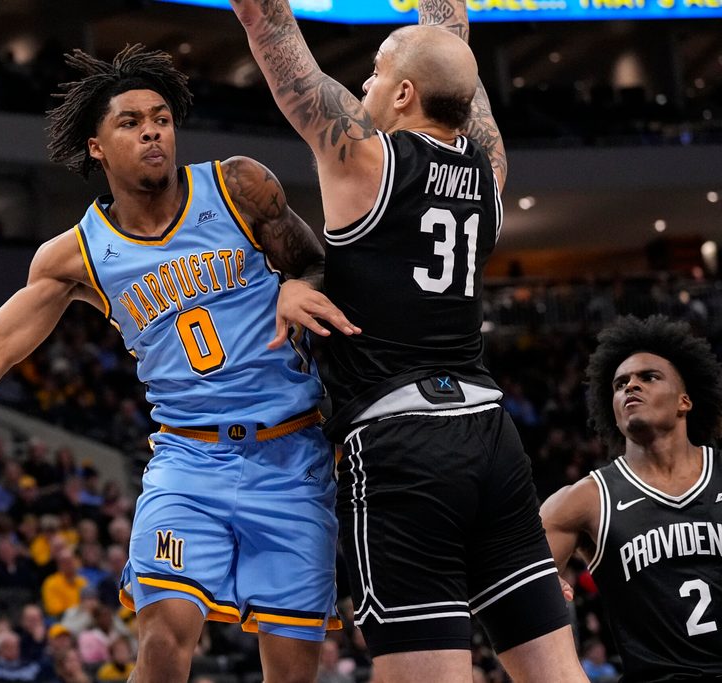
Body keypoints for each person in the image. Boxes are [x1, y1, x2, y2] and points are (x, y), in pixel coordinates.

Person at [0, 43, 356, 682]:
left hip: (294, 457)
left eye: (161, 118)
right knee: (163, 637)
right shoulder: (74, 256)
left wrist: (298, 282)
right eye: (131, 122)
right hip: (189, 463)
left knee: (293, 669)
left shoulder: (239, 187)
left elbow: (321, 264)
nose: (152, 132)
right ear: (96, 147)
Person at [229, 1, 585, 681]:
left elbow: (268, 23)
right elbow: (450, 47)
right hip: (492, 439)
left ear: (402, 93)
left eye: (372, 73)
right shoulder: (490, 173)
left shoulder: (365, 159)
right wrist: (441, 23)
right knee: (560, 674)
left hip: (404, 446)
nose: (361, 89)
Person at [541, 315, 722, 680]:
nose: (630, 387)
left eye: (648, 377)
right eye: (620, 383)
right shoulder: (586, 500)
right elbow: (510, 594)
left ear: (684, 401)